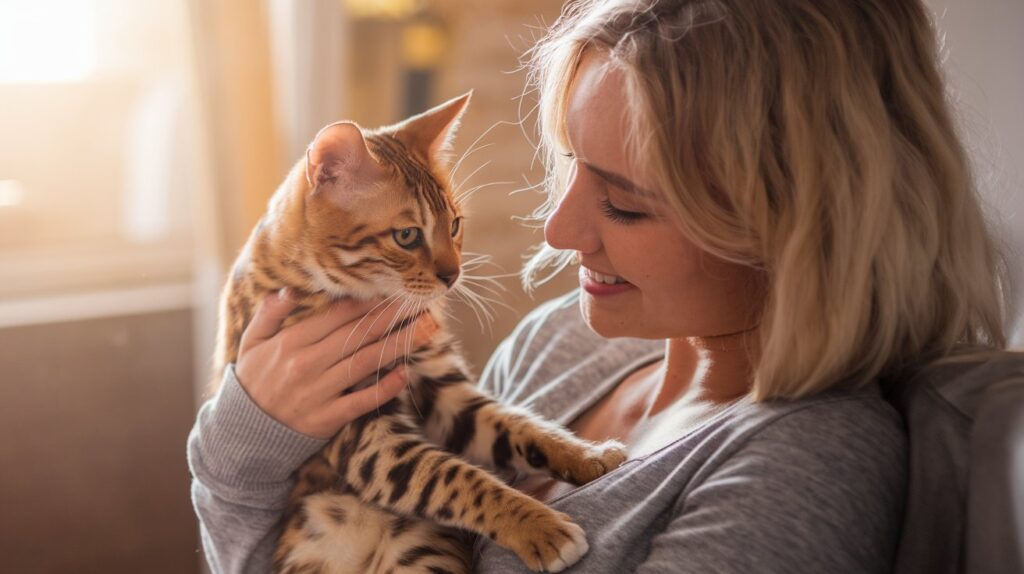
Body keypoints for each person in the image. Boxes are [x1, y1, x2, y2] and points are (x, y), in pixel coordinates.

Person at [187, 0, 1011, 572]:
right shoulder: (561, 343)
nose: (558, 231)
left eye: (624, 203)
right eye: (573, 167)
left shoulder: (805, 465)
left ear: (792, 225)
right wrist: (243, 448)